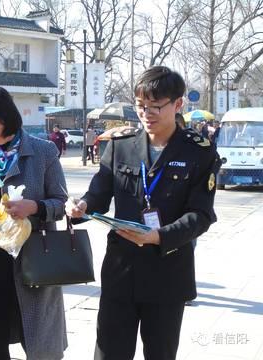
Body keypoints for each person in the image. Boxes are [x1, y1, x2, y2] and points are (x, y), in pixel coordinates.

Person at [66, 66, 221, 360]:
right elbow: (99, 193)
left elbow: (201, 215)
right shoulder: (120, 146)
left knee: (160, 354)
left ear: (178, 105)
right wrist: (83, 206)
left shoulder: (199, 152)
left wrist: (158, 236)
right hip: (120, 271)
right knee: (109, 352)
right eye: (141, 107)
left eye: (155, 107)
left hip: (168, 273)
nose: (147, 114)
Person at [0, 86, 68, 360]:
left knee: (38, 339)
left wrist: (35, 207)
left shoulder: (43, 151)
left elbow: (60, 203)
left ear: (9, 118)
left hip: (33, 260)